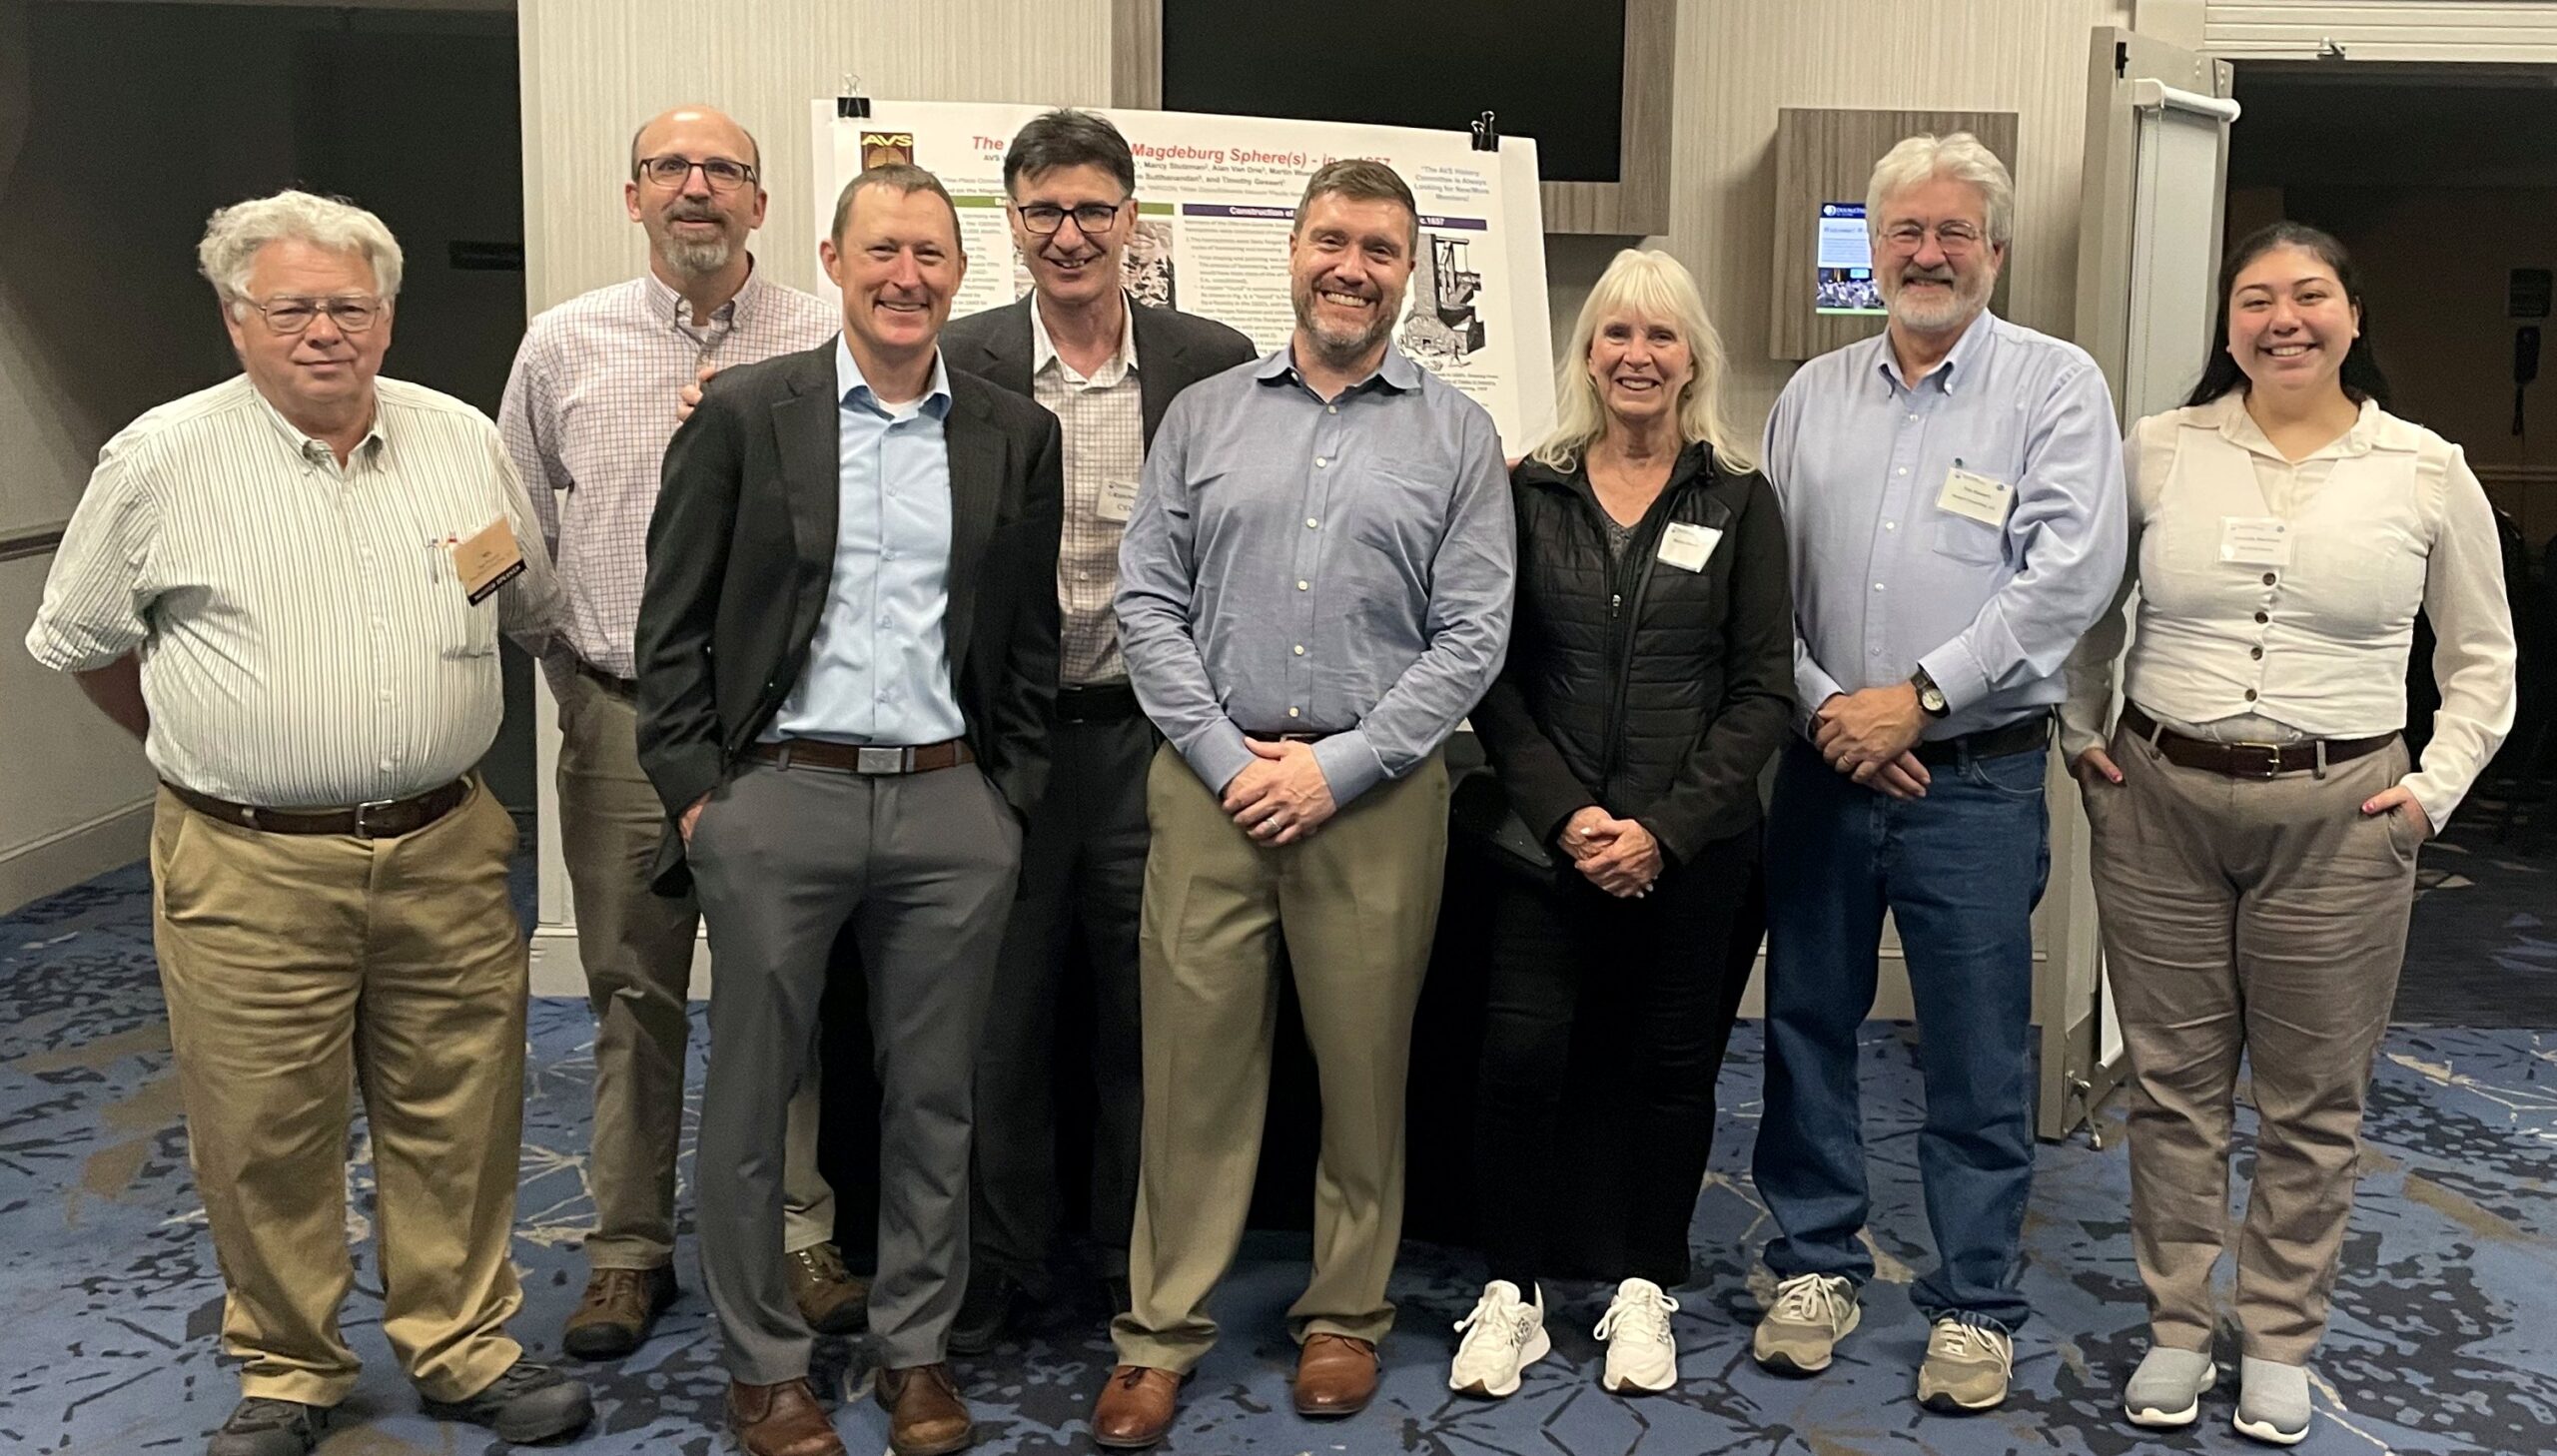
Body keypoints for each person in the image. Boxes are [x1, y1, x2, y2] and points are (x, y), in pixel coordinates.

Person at [25, 191, 590, 1456]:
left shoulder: (456, 441)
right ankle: (288, 1370)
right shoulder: (159, 460)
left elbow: (509, 596)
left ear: (388, 318)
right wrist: (209, 753)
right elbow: (87, 645)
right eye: (293, 308)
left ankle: (461, 1343)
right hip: (248, 858)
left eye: (350, 306)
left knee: (459, 1106)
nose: (324, 332)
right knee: (262, 1121)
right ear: (237, 319)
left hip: (446, 842)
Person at [2061, 223, 2515, 1447]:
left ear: (2352, 316)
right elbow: (2089, 606)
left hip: (2344, 820)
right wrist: (2076, 727)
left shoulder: (2425, 469)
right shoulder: (2159, 448)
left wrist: (2433, 791)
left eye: (2307, 296)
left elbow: (2481, 662)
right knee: (2172, 1088)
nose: (2282, 320)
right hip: (2157, 803)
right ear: (2227, 327)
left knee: (2314, 1102)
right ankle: (2173, 1325)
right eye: (2254, 299)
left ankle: (2276, 1337)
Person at [635, 163, 1061, 1456]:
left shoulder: (1009, 431)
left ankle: (915, 1351)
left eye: (931, 255)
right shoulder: (747, 415)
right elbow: (674, 630)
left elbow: (1029, 643)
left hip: (948, 807)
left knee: (936, 1097)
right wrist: (705, 798)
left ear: (958, 272)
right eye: (883, 251)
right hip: (780, 801)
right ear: (832, 259)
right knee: (757, 1095)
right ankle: (766, 1366)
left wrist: (1008, 802)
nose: (906, 276)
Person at [1092, 159, 1515, 1450]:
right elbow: (1147, 601)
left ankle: (1346, 1311)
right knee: (1191, 1073)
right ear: (1293, 251)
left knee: (1365, 1067)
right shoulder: (1206, 416)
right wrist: (1228, 759)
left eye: (1381, 249)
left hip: (1376, 794)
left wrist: (1338, 767)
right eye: (1332, 240)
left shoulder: (1458, 436)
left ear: (1409, 272)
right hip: (1213, 789)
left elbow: (1473, 634)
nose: (1352, 267)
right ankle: (1160, 1331)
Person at [1750, 132, 2127, 1413]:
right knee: (1805, 1021)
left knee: (1973, 1050)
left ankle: (1974, 1297)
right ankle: (1811, 1259)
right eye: (1902, 232)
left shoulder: (2054, 387)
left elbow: (2068, 577)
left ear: (1994, 252)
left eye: (1951, 232)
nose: (1925, 253)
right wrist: (1833, 715)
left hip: (1973, 776)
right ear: (1870, 251)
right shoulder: (1811, 395)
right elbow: (1768, 587)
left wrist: (1913, 703)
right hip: (1821, 768)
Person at [497, 102, 864, 1363]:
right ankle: (625, 1249)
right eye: (670, 167)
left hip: (782, 724)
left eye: (724, 170)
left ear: (763, 204)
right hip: (619, 720)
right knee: (632, 992)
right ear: (632, 193)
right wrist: (578, 671)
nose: (696, 187)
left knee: (794, 986)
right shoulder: (562, 344)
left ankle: (802, 1230)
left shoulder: (827, 334)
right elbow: (518, 527)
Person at [934, 107, 1256, 1352]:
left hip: (1154, 741)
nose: (1069, 235)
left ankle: (1144, 1268)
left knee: (1151, 1024)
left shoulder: (1209, 360)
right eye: (1043, 213)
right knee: (998, 1026)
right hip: (1000, 743)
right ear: (1010, 227)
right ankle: (1003, 1263)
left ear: (1134, 223)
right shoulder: (960, 359)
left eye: (1092, 211)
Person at [1457, 248, 1792, 1399]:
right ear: (1586, 354)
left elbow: (1761, 693)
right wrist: (1570, 819)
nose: (1636, 356)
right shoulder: (1526, 489)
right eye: (1614, 335)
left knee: (1670, 1069)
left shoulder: (1739, 498)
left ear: (1693, 356)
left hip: (1690, 853)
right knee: (1517, 1061)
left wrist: (1661, 829)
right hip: (1539, 845)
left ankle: (1647, 1280)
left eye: (1660, 336)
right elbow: (1491, 677)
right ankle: (1511, 1290)